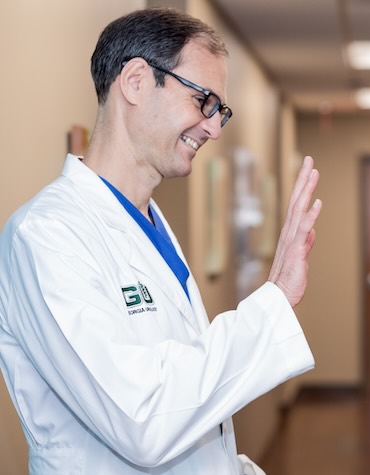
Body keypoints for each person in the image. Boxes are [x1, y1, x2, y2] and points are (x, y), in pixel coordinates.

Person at [0, 7, 321, 475]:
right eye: (203, 101)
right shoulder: (46, 235)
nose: (213, 127)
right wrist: (273, 300)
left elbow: (191, 415)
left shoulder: (149, 225)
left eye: (220, 111)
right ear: (135, 81)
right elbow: (144, 421)